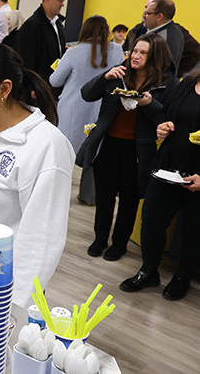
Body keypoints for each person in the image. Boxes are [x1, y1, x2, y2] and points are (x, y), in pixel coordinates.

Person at [0, 42, 74, 308]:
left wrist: (12, 307)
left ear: (4, 89)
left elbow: (41, 242)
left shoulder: (46, 146)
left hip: (1, 289)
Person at [77, 33, 178, 261]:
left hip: (139, 149)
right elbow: (86, 94)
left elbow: (169, 117)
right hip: (109, 143)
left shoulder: (168, 83)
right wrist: (104, 77)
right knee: (104, 195)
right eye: (135, 51)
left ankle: (119, 243)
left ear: (155, 57)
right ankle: (100, 238)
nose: (136, 56)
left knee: (129, 199)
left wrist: (150, 104)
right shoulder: (118, 73)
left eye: (143, 53)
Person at [119, 70, 200, 300]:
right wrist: (163, 124)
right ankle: (149, 270)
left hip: (197, 176)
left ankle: (182, 277)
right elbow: (164, 112)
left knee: (193, 231)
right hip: (168, 166)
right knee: (152, 220)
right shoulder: (188, 83)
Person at [50, 16, 124, 207]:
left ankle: (58, 193)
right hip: (103, 109)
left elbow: (55, 81)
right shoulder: (116, 50)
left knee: (64, 152)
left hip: (72, 109)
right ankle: (88, 195)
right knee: (94, 152)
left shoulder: (74, 52)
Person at [16, 0, 66, 84]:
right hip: (40, 84)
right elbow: (27, 60)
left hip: (55, 81)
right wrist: (32, 86)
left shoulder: (58, 23)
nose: (62, 5)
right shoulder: (32, 25)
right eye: (60, 1)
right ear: (48, 0)